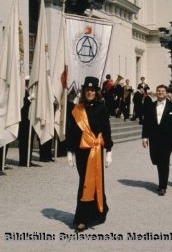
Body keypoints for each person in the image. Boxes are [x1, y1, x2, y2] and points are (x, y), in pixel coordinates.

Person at [66, 76, 113, 233]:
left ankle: (86, 217)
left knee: (95, 181)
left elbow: (106, 130)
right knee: (85, 182)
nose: (90, 92)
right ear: (84, 91)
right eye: (87, 90)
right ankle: (89, 214)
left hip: (96, 151)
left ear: (96, 92)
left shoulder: (102, 108)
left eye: (92, 90)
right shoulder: (77, 110)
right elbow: (72, 133)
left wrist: (109, 151)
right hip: (81, 152)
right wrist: (69, 152)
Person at [142, 85, 172, 196]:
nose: (160, 93)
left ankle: (162, 186)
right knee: (155, 159)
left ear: (166, 93)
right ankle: (162, 180)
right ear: (156, 92)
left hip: (167, 139)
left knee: (164, 161)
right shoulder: (150, 106)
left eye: (162, 91)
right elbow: (146, 123)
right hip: (154, 138)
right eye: (158, 91)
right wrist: (145, 137)